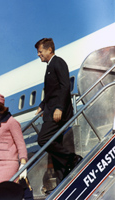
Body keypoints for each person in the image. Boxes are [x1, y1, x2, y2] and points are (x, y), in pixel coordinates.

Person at [34, 38, 82, 192]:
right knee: (57, 147)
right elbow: (51, 92)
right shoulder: (49, 67)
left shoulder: (58, 62)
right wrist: (42, 106)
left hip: (58, 113)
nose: (39, 55)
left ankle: (72, 158)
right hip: (51, 111)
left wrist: (59, 107)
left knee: (43, 139)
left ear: (49, 50)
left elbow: (65, 85)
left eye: (40, 51)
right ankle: (62, 184)